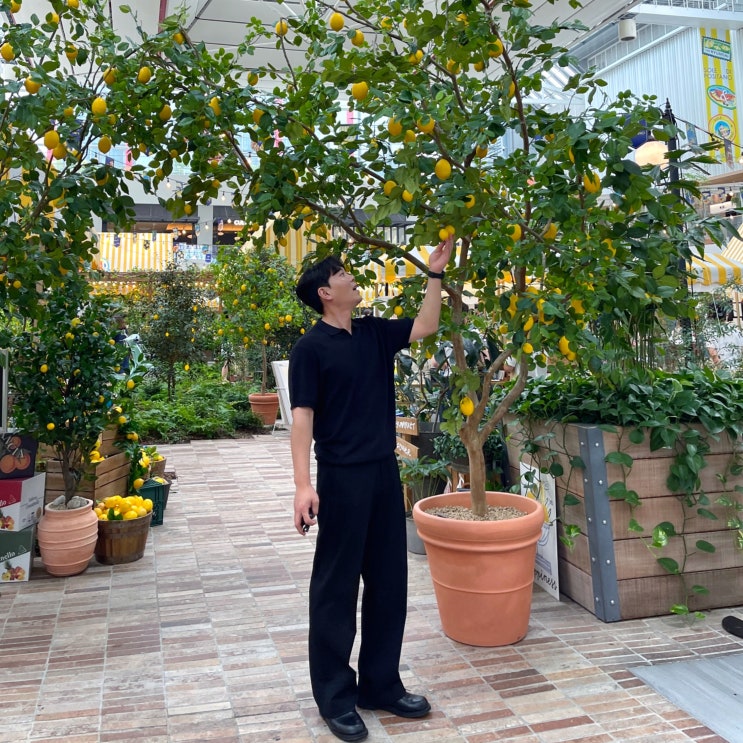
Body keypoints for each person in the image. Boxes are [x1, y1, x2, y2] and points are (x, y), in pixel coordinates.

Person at [289, 238, 453, 742]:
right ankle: (335, 697)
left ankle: (380, 685)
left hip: (384, 473)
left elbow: (425, 325)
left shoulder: (374, 333)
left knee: (388, 583)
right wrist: (302, 485)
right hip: (341, 478)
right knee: (336, 589)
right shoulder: (309, 349)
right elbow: (302, 418)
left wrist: (435, 274)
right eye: (341, 274)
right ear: (325, 292)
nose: (351, 278)